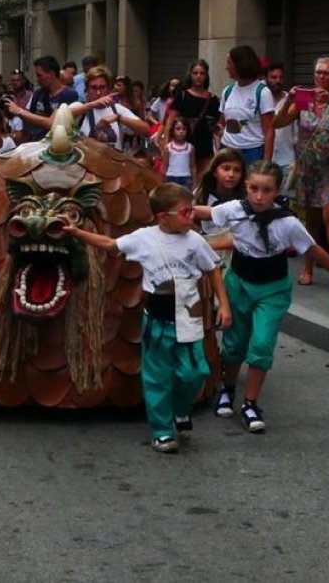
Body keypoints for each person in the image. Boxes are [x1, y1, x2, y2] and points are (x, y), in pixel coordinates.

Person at [68, 183, 232, 453]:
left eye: (191, 210)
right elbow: (110, 245)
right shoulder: (144, 238)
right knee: (158, 377)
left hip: (187, 319)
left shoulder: (195, 241)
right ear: (162, 217)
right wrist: (76, 232)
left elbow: (212, 269)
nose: (191, 216)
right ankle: (162, 430)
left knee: (194, 372)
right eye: (185, 212)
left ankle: (180, 409)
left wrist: (223, 305)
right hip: (158, 321)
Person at [193, 161, 329, 433]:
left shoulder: (287, 222)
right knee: (234, 342)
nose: (259, 196)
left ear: (276, 191)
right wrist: (175, 210)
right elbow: (206, 212)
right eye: (254, 189)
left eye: (267, 190)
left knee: (262, 344)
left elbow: (313, 249)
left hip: (273, 289)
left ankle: (251, 403)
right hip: (239, 283)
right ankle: (228, 389)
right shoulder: (234, 210)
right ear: (246, 187)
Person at [271, 56, 329, 288]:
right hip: (308, 167)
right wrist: (289, 99)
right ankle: (308, 268)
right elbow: (277, 123)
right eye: (318, 72)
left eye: (327, 73)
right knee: (311, 219)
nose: (321, 77)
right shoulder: (304, 99)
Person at [65, 66, 150, 151]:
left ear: (108, 89)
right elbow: (53, 121)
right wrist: (91, 105)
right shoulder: (80, 107)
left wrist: (120, 118)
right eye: (93, 88)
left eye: (102, 87)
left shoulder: (116, 109)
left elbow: (147, 130)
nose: (98, 92)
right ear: (87, 89)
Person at [218, 45, 276, 164]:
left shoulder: (262, 92)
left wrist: (266, 164)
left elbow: (269, 131)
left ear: (239, 65)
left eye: (229, 63)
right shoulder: (227, 91)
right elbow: (222, 123)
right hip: (227, 149)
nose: (226, 68)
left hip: (252, 153)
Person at [8, 56, 80, 143]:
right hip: (35, 143)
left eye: (39, 75)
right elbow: (29, 119)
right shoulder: (38, 93)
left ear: (52, 74)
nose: (37, 79)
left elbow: (54, 123)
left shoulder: (69, 95)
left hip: (57, 146)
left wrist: (20, 111)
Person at [164, 61, 220, 171]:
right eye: (195, 73)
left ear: (206, 75)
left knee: (202, 179)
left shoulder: (212, 99)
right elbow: (170, 121)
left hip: (205, 144)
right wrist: (167, 144)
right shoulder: (182, 96)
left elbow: (216, 126)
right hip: (183, 143)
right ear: (190, 75)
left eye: (202, 73)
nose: (198, 76)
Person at [264, 62, 296, 205]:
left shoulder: (291, 100)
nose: (277, 81)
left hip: (287, 160)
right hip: (266, 159)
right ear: (266, 78)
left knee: (284, 203)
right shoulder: (261, 99)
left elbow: (297, 131)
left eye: (280, 77)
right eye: (273, 77)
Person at [160, 119, 196, 188]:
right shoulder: (168, 148)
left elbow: (193, 166)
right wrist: (162, 182)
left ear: (187, 131)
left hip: (186, 177)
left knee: (185, 198)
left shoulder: (190, 148)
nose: (181, 131)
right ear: (173, 131)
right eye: (178, 129)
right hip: (170, 177)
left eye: (184, 129)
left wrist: (194, 182)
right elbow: (164, 166)